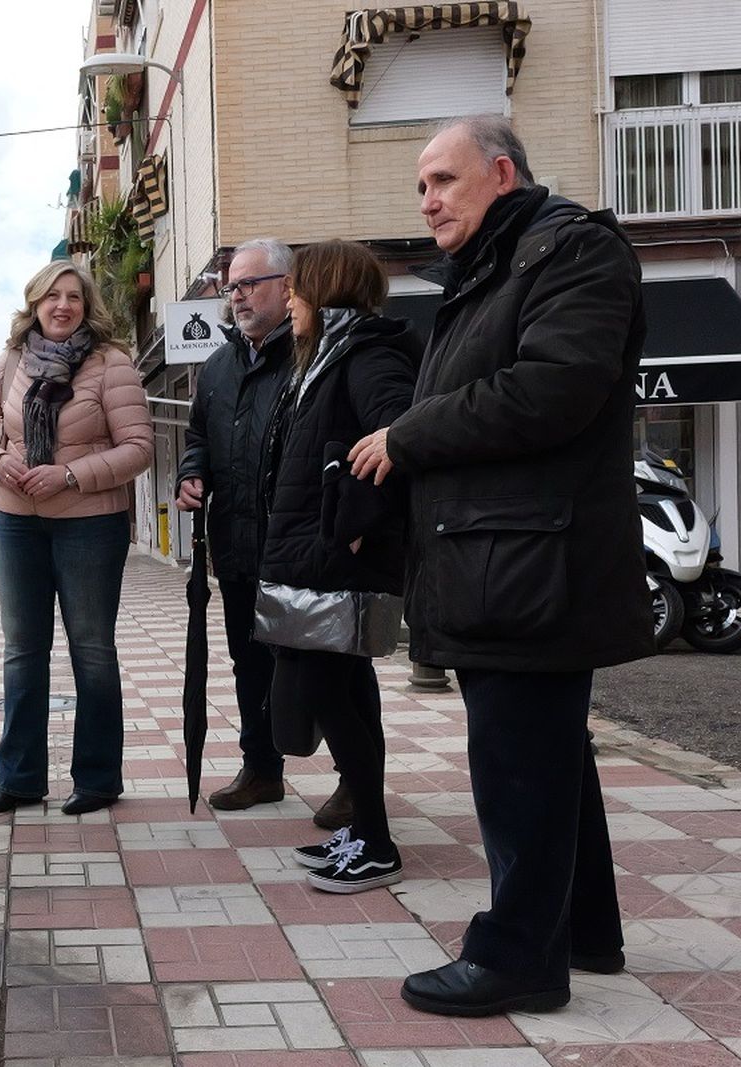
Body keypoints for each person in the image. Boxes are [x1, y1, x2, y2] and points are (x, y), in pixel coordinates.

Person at [349, 116, 651, 1015]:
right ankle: (587, 929)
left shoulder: (571, 252)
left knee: (518, 759)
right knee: (550, 753)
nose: (428, 200)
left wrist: (407, 435)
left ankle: (518, 955)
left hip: (533, 563)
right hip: (505, 557)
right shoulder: (497, 266)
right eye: (420, 186)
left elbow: (551, 388)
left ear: (502, 171)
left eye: (442, 180)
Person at [256, 241, 419, 893]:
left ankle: (376, 843)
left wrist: (352, 525)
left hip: (335, 565)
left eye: (298, 288)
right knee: (340, 695)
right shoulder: (327, 356)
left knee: (334, 696)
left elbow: (400, 435)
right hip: (315, 561)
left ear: (324, 290)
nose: (290, 299)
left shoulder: (365, 353)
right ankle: (368, 831)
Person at [0, 262, 151, 815]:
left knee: (92, 651)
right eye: (52, 296)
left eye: (73, 296)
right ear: (35, 304)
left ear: (86, 305)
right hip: (18, 520)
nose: (62, 305)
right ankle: (19, 780)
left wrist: (68, 474)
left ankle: (97, 779)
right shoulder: (11, 361)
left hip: (91, 523)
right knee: (23, 651)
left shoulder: (112, 363)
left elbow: (139, 447)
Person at [175, 239, 352, 828]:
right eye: (232, 286)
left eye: (251, 283)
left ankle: (355, 778)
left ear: (288, 286)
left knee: (326, 662)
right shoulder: (221, 365)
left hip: (303, 548)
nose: (238, 295)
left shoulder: (315, 353)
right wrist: (191, 471)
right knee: (248, 660)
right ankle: (262, 769)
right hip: (237, 545)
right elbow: (197, 435)